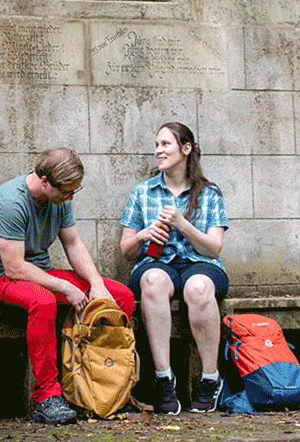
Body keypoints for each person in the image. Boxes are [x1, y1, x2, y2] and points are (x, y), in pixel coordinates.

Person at [0, 148, 135, 426]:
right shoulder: (10, 202)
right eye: (67, 191)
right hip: (0, 279)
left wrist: (96, 284)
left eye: (75, 190)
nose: (70, 197)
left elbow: (73, 244)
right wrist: (63, 286)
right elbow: (13, 267)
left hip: (41, 274)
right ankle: (47, 396)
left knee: (120, 295)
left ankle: (110, 386)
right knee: (44, 301)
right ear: (45, 181)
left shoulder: (60, 198)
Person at [119, 122, 229, 414]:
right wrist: (144, 235)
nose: (158, 151)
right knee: (153, 281)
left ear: (186, 149)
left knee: (199, 287)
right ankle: (163, 379)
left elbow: (214, 248)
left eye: (165, 144)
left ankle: (210, 378)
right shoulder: (142, 192)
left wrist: (183, 224)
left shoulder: (209, 193)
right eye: (156, 145)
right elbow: (126, 250)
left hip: (201, 263)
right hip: (157, 264)